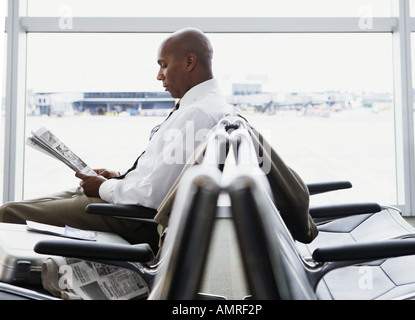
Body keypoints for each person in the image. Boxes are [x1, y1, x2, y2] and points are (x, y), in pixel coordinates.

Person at [0, 28, 237, 251]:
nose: (159, 76)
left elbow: (153, 195)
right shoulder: (205, 107)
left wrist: (104, 187)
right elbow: (164, 177)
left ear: (189, 62)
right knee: (13, 208)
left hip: (134, 219)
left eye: (164, 66)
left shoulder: (197, 114)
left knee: (9, 214)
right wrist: (119, 178)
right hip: (130, 206)